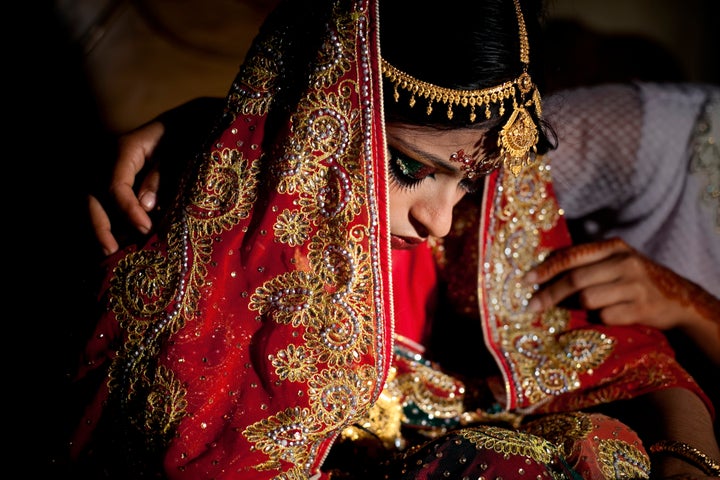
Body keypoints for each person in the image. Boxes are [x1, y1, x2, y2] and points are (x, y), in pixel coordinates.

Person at [69, 0, 720, 478]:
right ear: (322, 117)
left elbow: (633, 362)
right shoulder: (199, 268)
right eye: (411, 169)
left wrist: (689, 462)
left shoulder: (479, 233)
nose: (440, 217)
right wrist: (217, 129)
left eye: (469, 181)